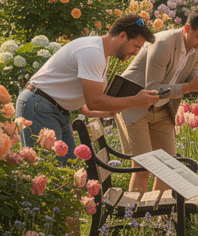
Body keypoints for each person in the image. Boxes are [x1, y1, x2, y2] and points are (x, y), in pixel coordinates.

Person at [15, 14, 160, 158]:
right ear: (122, 35)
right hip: (39, 107)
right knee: (48, 170)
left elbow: (85, 107)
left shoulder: (101, 53)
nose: (136, 53)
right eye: (136, 46)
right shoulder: (93, 52)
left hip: (55, 109)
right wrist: (136, 100)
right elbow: (94, 101)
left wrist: (107, 111)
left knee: (66, 171)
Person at [115, 7, 198, 193]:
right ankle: (135, 218)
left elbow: (190, 84)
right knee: (142, 168)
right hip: (134, 105)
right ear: (187, 29)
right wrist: (188, 87)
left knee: (169, 169)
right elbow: (152, 89)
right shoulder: (163, 43)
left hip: (163, 109)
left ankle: (159, 219)